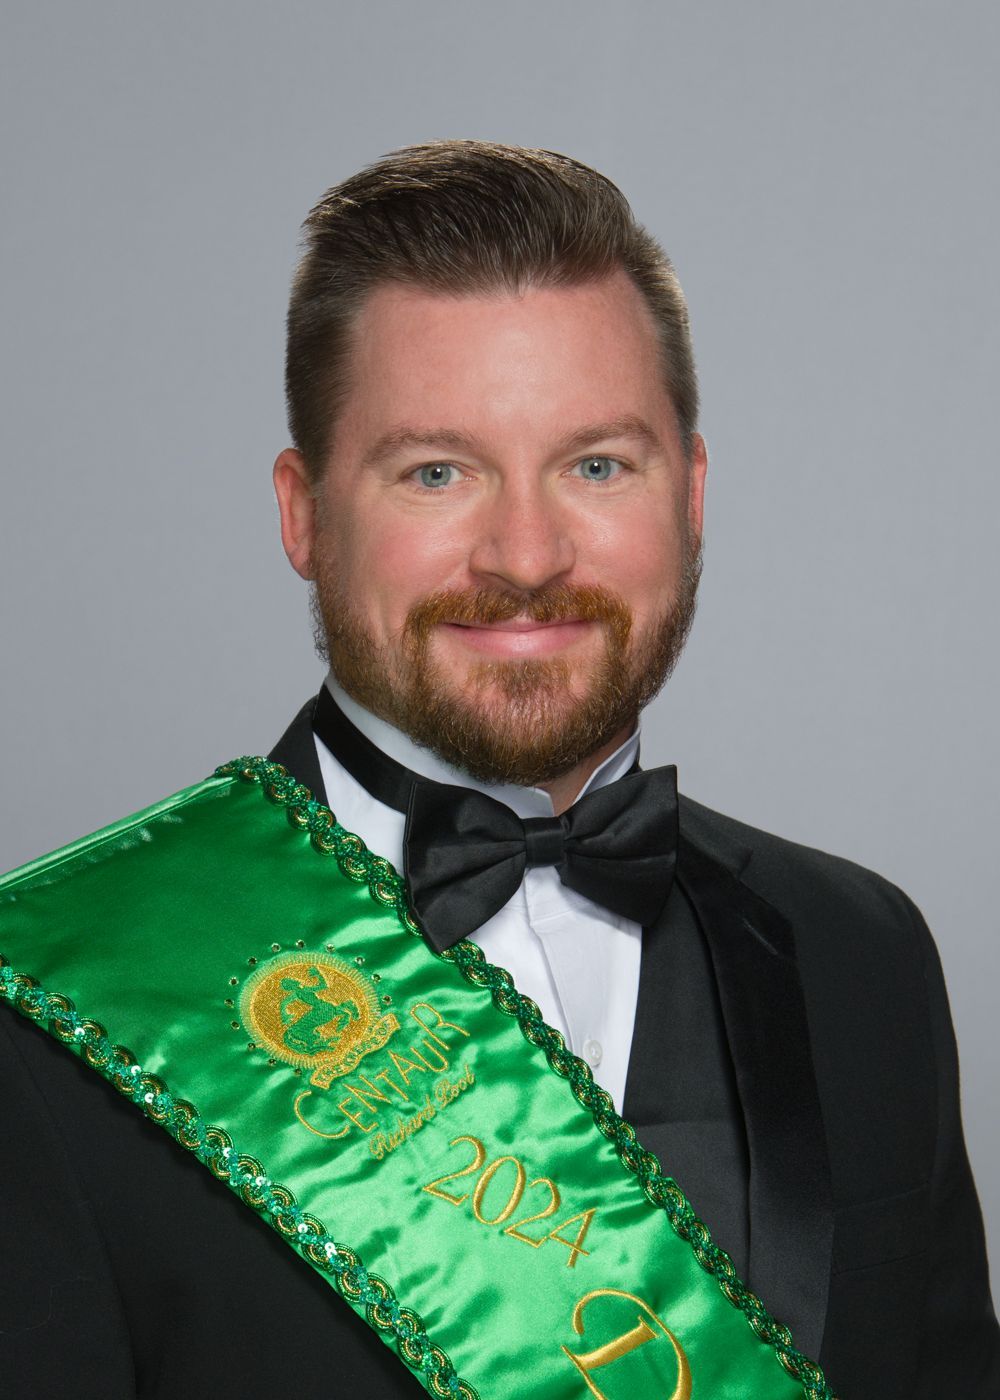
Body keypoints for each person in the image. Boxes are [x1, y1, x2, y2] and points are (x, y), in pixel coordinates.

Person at [1, 141, 997, 1400]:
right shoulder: (53, 1012)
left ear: (689, 494)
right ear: (302, 512)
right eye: (436, 471)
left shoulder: (863, 952)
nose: (525, 554)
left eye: (595, 464)